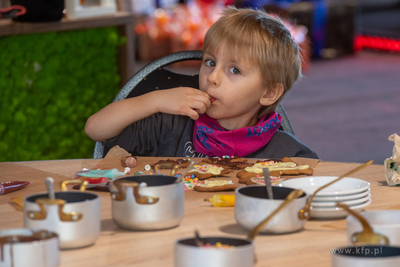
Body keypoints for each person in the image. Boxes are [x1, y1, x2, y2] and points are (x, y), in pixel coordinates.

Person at [85, 6, 318, 159]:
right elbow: (95, 129)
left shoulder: (287, 154)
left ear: (268, 93)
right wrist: (156, 100)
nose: (212, 77)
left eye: (234, 70)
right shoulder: (173, 126)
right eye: (209, 62)